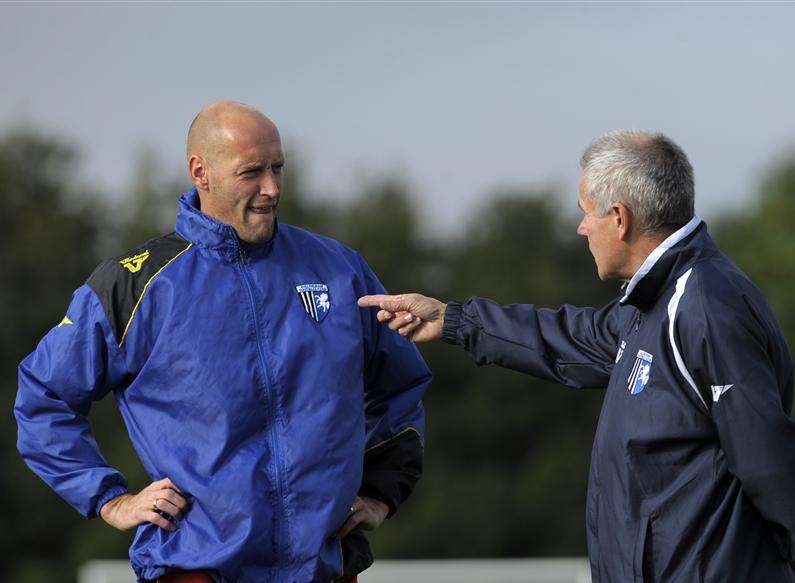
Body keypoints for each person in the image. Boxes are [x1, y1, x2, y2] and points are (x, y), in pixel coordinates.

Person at [15, 101, 431, 583]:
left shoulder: (338, 270)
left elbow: (403, 385)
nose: (272, 188)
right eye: (251, 172)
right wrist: (110, 499)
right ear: (200, 172)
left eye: (278, 168)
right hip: (196, 570)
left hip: (326, 569)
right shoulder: (133, 285)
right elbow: (43, 399)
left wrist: (381, 489)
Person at [359, 131, 795, 582]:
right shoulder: (657, 303)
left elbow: (771, 465)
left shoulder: (702, 306)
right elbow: (574, 338)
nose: (581, 227)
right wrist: (452, 320)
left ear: (620, 218)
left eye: (586, 213)